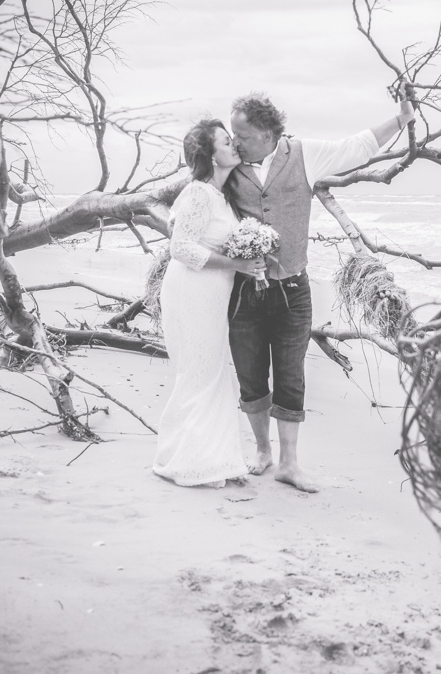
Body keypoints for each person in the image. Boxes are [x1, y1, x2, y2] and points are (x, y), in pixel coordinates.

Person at [226, 92, 415, 493]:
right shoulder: (227, 166)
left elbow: (357, 147)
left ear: (265, 133)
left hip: (293, 290)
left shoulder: (303, 154)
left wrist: (401, 119)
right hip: (244, 292)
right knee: (250, 374)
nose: (234, 141)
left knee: (291, 377)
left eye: (240, 134)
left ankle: (289, 464)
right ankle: (262, 451)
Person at [153, 119, 267, 487]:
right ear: (210, 156)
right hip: (192, 291)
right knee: (200, 373)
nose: (233, 144)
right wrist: (238, 264)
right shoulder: (199, 193)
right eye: (224, 141)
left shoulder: (220, 195)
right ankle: (191, 462)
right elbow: (181, 248)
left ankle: (209, 458)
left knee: (211, 371)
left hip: (213, 293)